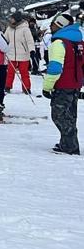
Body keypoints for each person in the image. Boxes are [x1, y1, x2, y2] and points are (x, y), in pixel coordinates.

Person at [42, 12, 82, 155]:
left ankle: (70, 146)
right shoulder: (78, 42)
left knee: (59, 115)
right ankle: (68, 143)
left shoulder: (59, 43)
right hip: (75, 84)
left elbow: (55, 68)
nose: (50, 27)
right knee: (70, 116)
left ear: (59, 26)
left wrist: (47, 87)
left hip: (63, 84)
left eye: (53, 24)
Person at [3, 11, 36, 94]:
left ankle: (26, 88)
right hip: (12, 54)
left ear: (17, 19)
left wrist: (32, 50)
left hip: (23, 54)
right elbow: (4, 39)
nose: (11, 20)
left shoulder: (25, 28)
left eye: (12, 18)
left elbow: (30, 41)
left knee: (24, 72)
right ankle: (7, 86)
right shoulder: (9, 28)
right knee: (10, 72)